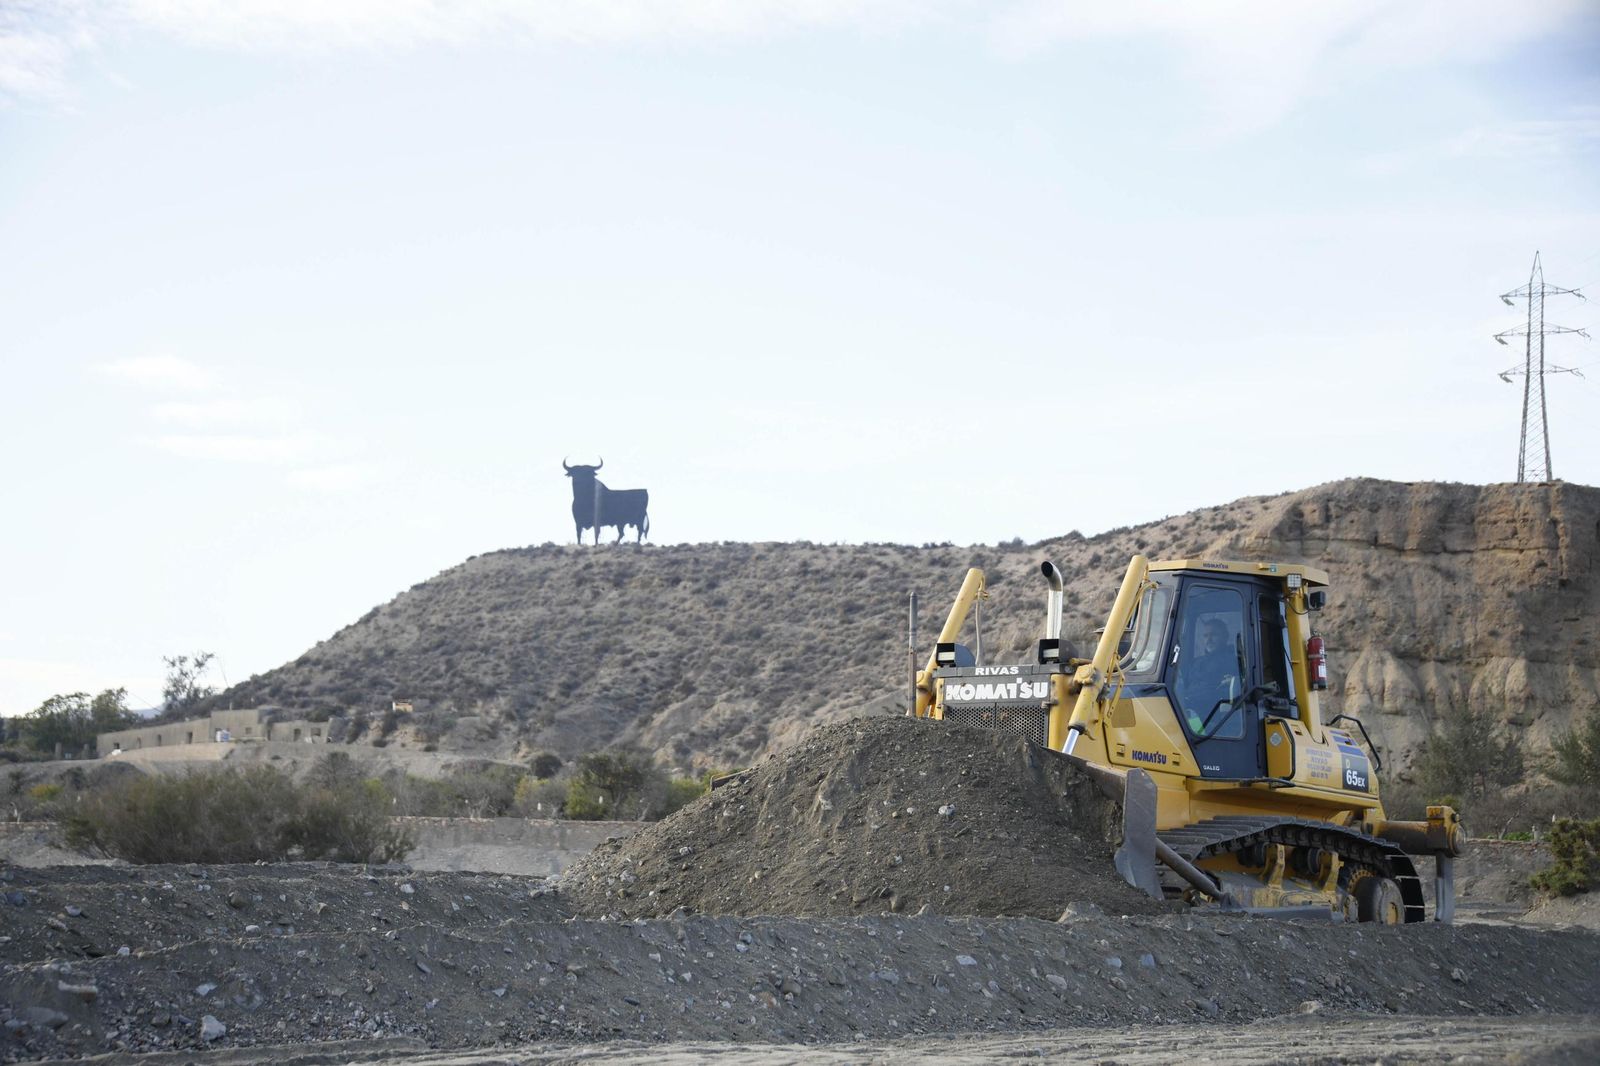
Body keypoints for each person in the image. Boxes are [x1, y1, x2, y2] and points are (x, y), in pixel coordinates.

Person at [1181, 617, 1237, 734]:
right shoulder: (1196, 662)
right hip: (1186, 710)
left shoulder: (1232, 661)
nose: (1209, 639)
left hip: (1210, 716)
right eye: (1206, 636)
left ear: (1225, 637)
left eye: (1214, 635)